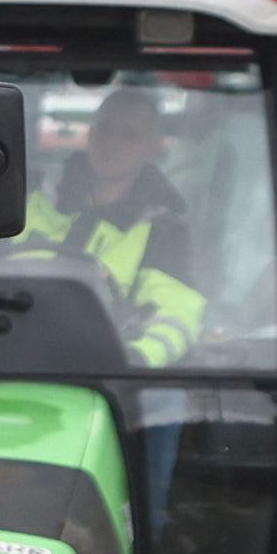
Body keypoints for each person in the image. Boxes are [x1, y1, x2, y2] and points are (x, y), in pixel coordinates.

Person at [30, 85, 216, 366]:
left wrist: (137, 357)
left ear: (152, 150)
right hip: (9, 352)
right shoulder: (29, 192)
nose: (112, 144)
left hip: (104, 371)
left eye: (129, 136)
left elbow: (177, 311)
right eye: (105, 130)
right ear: (90, 136)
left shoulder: (163, 229)